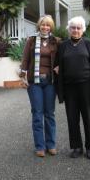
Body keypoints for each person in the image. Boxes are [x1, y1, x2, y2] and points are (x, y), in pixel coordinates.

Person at [55, 16, 90, 160]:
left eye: (78, 28)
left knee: (89, 118)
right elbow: (57, 65)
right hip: (70, 89)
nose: (75, 30)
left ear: (82, 30)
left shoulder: (89, 44)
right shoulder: (63, 46)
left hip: (86, 87)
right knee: (72, 118)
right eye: (73, 28)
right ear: (69, 29)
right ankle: (76, 147)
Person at [20, 15, 61, 157]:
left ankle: (51, 145)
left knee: (49, 114)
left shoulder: (56, 41)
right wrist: (22, 77)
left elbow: (62, 57)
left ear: (51, 27)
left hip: (50, 82)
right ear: (39, 26)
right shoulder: (31, 40)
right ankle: (40, 146)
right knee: (37, 113)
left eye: (48, 25)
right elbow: (25, 59)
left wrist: (60, 66)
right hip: (34, 82)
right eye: (43, 25)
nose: (45, 27)